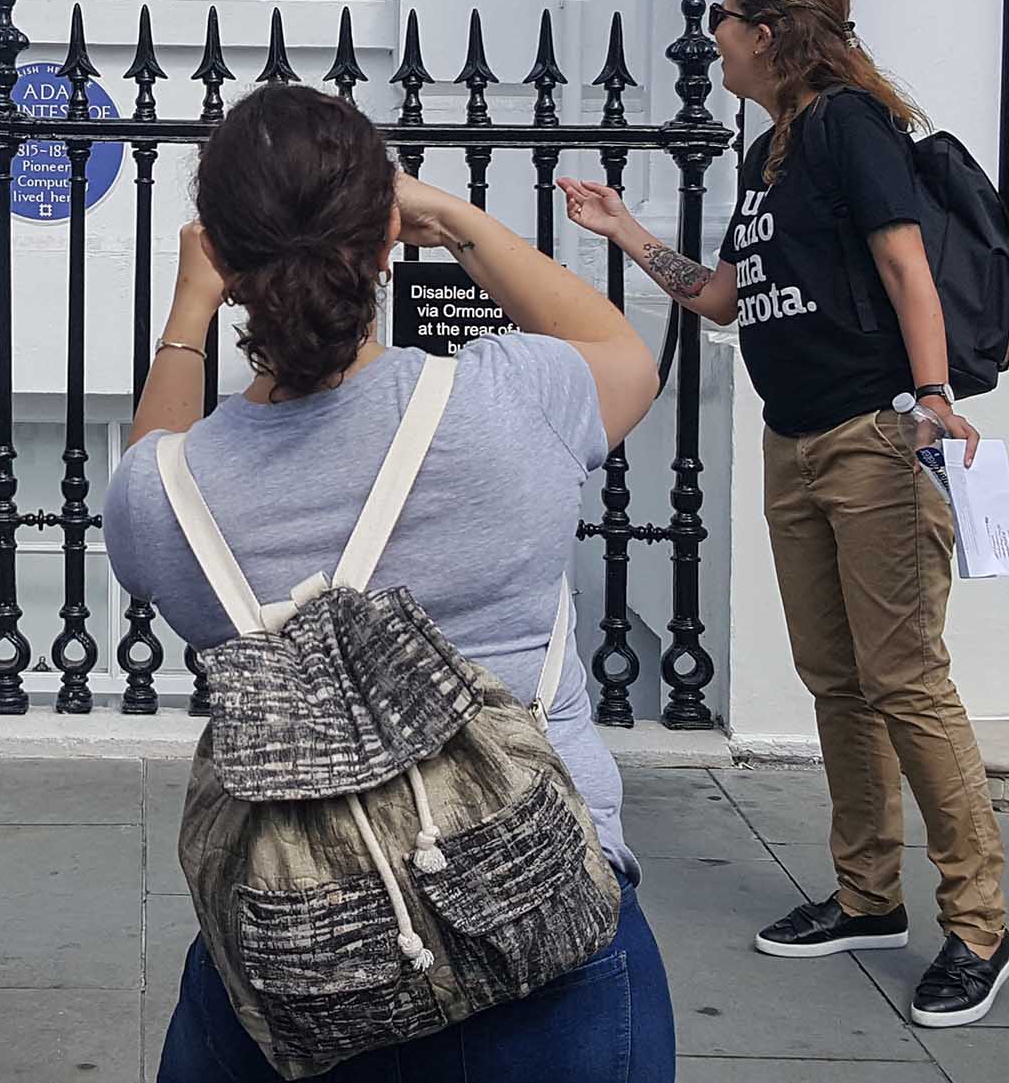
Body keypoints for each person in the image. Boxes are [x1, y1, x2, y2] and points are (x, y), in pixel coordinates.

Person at [103, 84, 676, 1082]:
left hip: (303, 953)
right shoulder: (503, 404)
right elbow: (624, 355)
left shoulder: (166, 498)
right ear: (379, 243)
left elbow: (150, 453)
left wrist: (191, 303)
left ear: (229, 265)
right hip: (543, 929)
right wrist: (451, 218)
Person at [559, 0, 1009, 1029]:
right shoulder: (767, 151)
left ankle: (979, 924)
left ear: (768, 30)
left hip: (871, 435)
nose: (708, 32)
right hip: (795, 439)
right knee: (834, 678)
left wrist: (929, 396)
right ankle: (866, 895)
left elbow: (904, 264)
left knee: (904, 678)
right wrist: (625, 234)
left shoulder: (847, 126)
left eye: (721, 16)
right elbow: (723, 297)